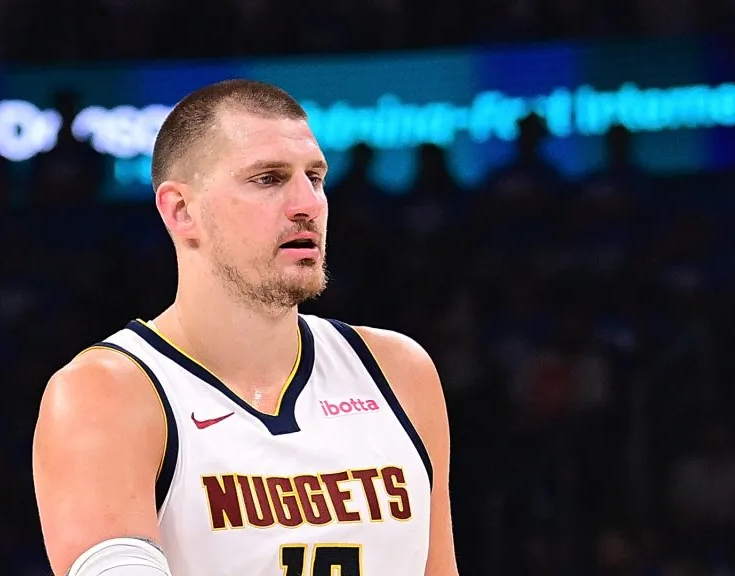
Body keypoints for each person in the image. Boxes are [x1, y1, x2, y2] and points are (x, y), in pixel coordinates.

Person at [32, 79, 459, 576]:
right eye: (269, 179)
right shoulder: (106, 393)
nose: (308, 204)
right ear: (181, 210)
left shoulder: (399, 372)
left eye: (316, 177)